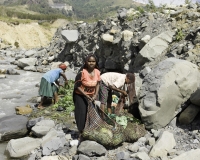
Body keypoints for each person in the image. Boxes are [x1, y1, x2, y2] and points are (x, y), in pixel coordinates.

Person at [73, 54, 101, 139]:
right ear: (86, 62)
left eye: (93, 61)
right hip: (79, 95)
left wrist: (95, 94)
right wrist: (86, 95)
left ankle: (88, 129)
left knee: (90, 112)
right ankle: (80, 132)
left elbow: (98, 84)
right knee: (81, 112)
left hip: (91, 95)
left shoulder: (97, 72)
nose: (91, 63)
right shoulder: (82, 73)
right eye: (89, 61)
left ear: (96, 63)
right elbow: (77, 86)